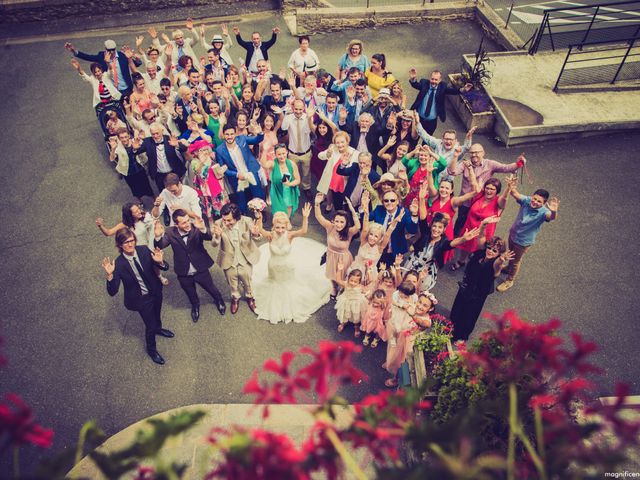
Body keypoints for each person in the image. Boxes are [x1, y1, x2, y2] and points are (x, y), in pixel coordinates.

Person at [102, 228, 173, 365]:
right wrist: (110, 276)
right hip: (141, 300)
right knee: (150, 325)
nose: (130, 244)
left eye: (132, 240)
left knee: (157, 315)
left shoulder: (144, 250)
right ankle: (152, 350)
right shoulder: (119, 264)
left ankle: (159, 329)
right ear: (120, 245)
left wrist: (160, 262)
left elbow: (163, 266)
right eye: (126, 242)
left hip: (155, 292)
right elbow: (113, 291)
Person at [252, 205, 331, 324]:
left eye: (282, 227)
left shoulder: (289, 235)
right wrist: (259, 217)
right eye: (277, 227)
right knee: (275, 284)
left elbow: (303, 231)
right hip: (273, 266)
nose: (280, 230)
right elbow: (260, 229)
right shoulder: (270, 235)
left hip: (287, 266)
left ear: (286, 226)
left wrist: (305, 217)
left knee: (288, 285)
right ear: (273, 226)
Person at [155, 210, 226, 322]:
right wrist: (158, 237)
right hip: (183, 269)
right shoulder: (170, 232)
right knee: (189, 291)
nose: (188, 224)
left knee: (210, 287)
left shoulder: (196, 227)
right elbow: (161, 245)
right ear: (176, 224)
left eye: (188, 220)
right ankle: (195, 305)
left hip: (200, 266)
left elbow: (208, 236)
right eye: (183, 223)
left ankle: (219, 300)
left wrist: (202, 228)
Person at [450, 222, 515, 342]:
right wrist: (484, 225)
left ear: (498, 253)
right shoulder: (481, 252)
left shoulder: (495, 263)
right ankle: (451, 327)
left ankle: (462, 336)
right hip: (466, 286)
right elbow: (481, 237)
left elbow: (498, 266)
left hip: (477, 295)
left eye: (494, 251)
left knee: (469, 316)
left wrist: (501, 260)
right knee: (458, 308)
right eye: (489, 248)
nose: (490, 251)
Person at [497, 180, 559, 292]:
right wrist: (511, 187)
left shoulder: (543, 212)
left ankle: (510, 280)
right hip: (513, 234)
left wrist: (554, 211)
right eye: (534, 198)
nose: (534, 202)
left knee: (516, 260)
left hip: (523, 242)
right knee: (510, 254)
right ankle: (508, 268)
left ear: (544, 203)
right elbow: (515, 194)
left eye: (539, 201)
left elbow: (551, 217)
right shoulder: (526, 200)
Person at [447, 145, 524, 237]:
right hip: (466, 202)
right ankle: (455, 241)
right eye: (471, 152)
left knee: (477, 224)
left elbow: (506, 168)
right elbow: (452, 172)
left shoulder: (490, 164)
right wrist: (455, 156)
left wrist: (519, 163)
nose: (474, 155)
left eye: (477, 152)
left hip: (481, 203)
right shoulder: (465, 164)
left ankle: (474, 242)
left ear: (483, 153)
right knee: (461, 221)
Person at [96, 202, 170, 286]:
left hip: (149, 245)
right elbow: (108, 233)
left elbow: (155, 220)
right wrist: (100, 226)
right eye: (135, 211)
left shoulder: (145, 217)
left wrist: (157, 227)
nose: (139, 211)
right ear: (129, 215)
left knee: (156, 263)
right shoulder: (125, 225)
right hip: (137, 250)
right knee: (144, 266)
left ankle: (159, 276)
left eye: (138, 209)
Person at [451, 177, 511, 270]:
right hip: (470, 226)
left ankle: (474, 265)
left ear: (497, 191)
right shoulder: (480, 195)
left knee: (480, 250)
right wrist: (470, 168)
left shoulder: (498, 202)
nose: (489, 191)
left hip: (484, 232)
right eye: (487, 188)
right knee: (465, 245)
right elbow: (474, 185)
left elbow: (504, 199)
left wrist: (509, 188)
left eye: (492, 189)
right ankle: (461, 261)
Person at [211, 203, 262, 314]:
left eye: (229, 220)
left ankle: (250, 297)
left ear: (237, 217)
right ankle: (235, 298)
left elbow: (257, 239)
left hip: (245, 258)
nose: (225, 223)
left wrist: (256, 234)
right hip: (228, 260)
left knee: (247, 281)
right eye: (224, 220)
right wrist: (217, 236)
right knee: (232, 283)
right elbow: (214, 244)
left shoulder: (247, 221)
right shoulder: (218, 223)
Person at [315, 194, 361, 300]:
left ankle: (343, 289)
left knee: (344, 276)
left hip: (344, 258)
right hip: (331, 255)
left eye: (342, 222)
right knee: (332, 275)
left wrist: (351, 208)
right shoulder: (330, 227)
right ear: (333, 221)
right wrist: (317, 203)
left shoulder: (349, 232)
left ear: (346, 223)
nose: (339, 224)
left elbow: (358, 226)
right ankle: (334, 288)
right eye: (337, 221)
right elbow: (319, 217)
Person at [351, 191, 401, 285]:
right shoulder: (363, 242)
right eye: (371, 234)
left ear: (380, 238)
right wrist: (365, 210)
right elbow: (365, 229)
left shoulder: (380, 248)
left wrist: (394, 222)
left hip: (371, 276)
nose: (372, 238)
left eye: (376, 236)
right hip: (356, 272)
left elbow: (387, 234)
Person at [66, 39, 141, 97]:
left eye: (113, 50)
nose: (111, 52)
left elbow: (136, 65)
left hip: (126, 88)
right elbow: (88, 57)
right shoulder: (101, 56)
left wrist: (137, 59)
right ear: (105, 49)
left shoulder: (122, 55)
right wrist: (74, 51)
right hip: (112, 90)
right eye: (109, 50)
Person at [408, 68, 472, 135]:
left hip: (431, 122)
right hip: (418, 119)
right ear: (430, 78)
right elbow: (416, 85)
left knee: (427, 142)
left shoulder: (442, 87)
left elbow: (452, 91)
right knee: (413, 137)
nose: (433, 81)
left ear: (440, 80)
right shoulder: (424, 83)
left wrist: (463, 89)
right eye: (432, 79)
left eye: (436, 80)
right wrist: (413, 79)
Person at [368, 189, 419, 265]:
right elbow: (366, 219)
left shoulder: (404, 212)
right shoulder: (379, 209)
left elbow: (412, 230)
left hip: (395, 251)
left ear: (397, 201)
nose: (389, 203)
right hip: (377, 249)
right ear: (383, 202)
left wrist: (414, 214)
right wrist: (363, 208)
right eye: (386, 200)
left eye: (392, 200)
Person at [383, 280, 418, 387]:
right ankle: (389, 360)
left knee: (400, 348)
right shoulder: (396, 294)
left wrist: (409, 307)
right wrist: (402, 305)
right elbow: (393, 301)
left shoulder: (414, 298)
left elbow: (414, 307)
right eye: (401, 291)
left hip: (405, 324)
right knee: (392, 343)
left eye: (405, 294)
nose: (401, 294)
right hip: (396, 320)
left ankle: (393, 365)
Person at [137, 123, 187, 194]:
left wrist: (177, 145)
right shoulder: (147, 141)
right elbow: (136, 151)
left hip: (173, 172)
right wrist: (135, 148)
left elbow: (184, 149)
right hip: (159, 175)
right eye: (153, 134)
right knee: (164, 193)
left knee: (179, 191)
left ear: (162, 131)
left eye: (157, 133)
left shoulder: (169, 138)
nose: (155, 136)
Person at [109, 129, 155, 204]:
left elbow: (142, 139)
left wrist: (140, 136)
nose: (124, 139)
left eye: (126, 137)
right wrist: (113, 149)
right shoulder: (117, 147)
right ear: (119, 138)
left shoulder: (134, 141)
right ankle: (139, 201)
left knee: (146, 184)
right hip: (127, 171)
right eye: (122, 137)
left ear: (129, 136)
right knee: (134, 187)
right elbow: (111, 159)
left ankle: (153, 197)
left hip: (139, 168)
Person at [316, 131, 359, 212]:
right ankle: (337, 214)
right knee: (337, 203)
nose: (340, 145)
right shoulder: (333, 149)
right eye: (337, 143)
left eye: (342, 142)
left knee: (348, 204)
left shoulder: (355, 153)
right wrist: (328, 153)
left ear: (347, 141)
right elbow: (320, 156)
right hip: (333, 181)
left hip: (346, 183)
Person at [279, 99, 314, 201]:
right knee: (292, 172)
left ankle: (306, 188)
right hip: (292, 153)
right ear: (293, 108)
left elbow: (308, 130)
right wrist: (286, 113)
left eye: (300, 109)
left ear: (304, 108)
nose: (298, 111)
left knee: (306, 173)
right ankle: (293, 189)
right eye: (296, 109)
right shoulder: (289, 117)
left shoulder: (307, 118)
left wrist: (309, 117)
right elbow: (284, 127)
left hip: (306, 152)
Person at [264, 143, 301, 218]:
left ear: (287, 152)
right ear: (275, 155)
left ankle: (287, 221)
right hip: (277, 191)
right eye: (279, 154)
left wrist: (289, 184)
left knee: (289, 206)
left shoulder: (292, 164)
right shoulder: (273, 164)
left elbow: (298, 180)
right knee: (278, 210)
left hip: (288, 190)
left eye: (283, 153)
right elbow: (264, 165)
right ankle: (278, 223)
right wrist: (264, 150)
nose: (282, 156)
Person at [335, 267, 368, 336]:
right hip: (346, 301)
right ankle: (343, 323)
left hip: (357, 303)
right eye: (351, 280)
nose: (353, 283)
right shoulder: (346, 284)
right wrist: (339, 269)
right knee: (345, 312)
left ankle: (356, 327)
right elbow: (337, 280)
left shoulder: (360, 286)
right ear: (348, 278)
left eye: (355, 282)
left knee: (356, 315)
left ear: (359, 282)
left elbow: (367, 290)